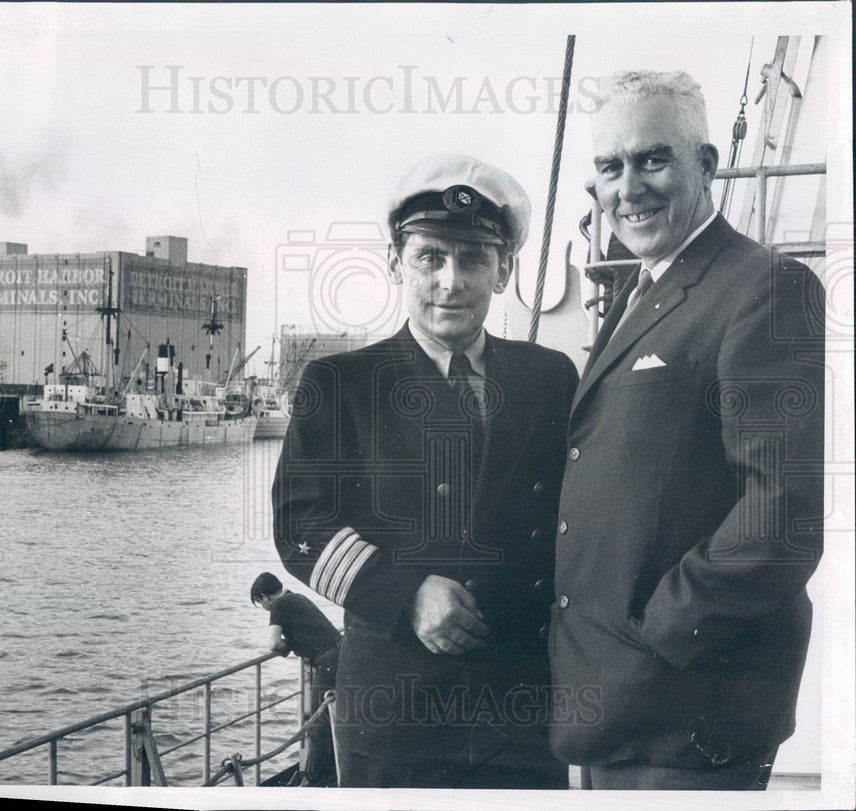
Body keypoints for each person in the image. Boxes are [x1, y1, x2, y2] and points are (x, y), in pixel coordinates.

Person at [549, 70, 825, 790]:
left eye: (652, 159)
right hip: (616, 702)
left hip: (685, 709)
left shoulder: (765, 286)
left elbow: (783, 515)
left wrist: (658, 635)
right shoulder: (646, 290)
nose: (627, 188)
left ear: (706, 164)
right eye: (610, 167)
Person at [272, 154, 578, 788]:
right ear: (395, 264)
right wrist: (405, 594)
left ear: (504, 271)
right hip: (395, 712)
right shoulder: (341, 383)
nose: (450, 281)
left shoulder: (549, 378)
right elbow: (299, 524)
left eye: (473, 260)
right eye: (430, 258)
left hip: (520, 707)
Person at [250, 572, 341, 786]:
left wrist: (287, 646)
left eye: (259, 603)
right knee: (328, 719)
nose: (263, 608)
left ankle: (312, 781)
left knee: (318, 724)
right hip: (339, 655)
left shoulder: (279, 604)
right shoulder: (297, 597)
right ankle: (327, 772)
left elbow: (272, 644)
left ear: (265, 597)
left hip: (327, 661)